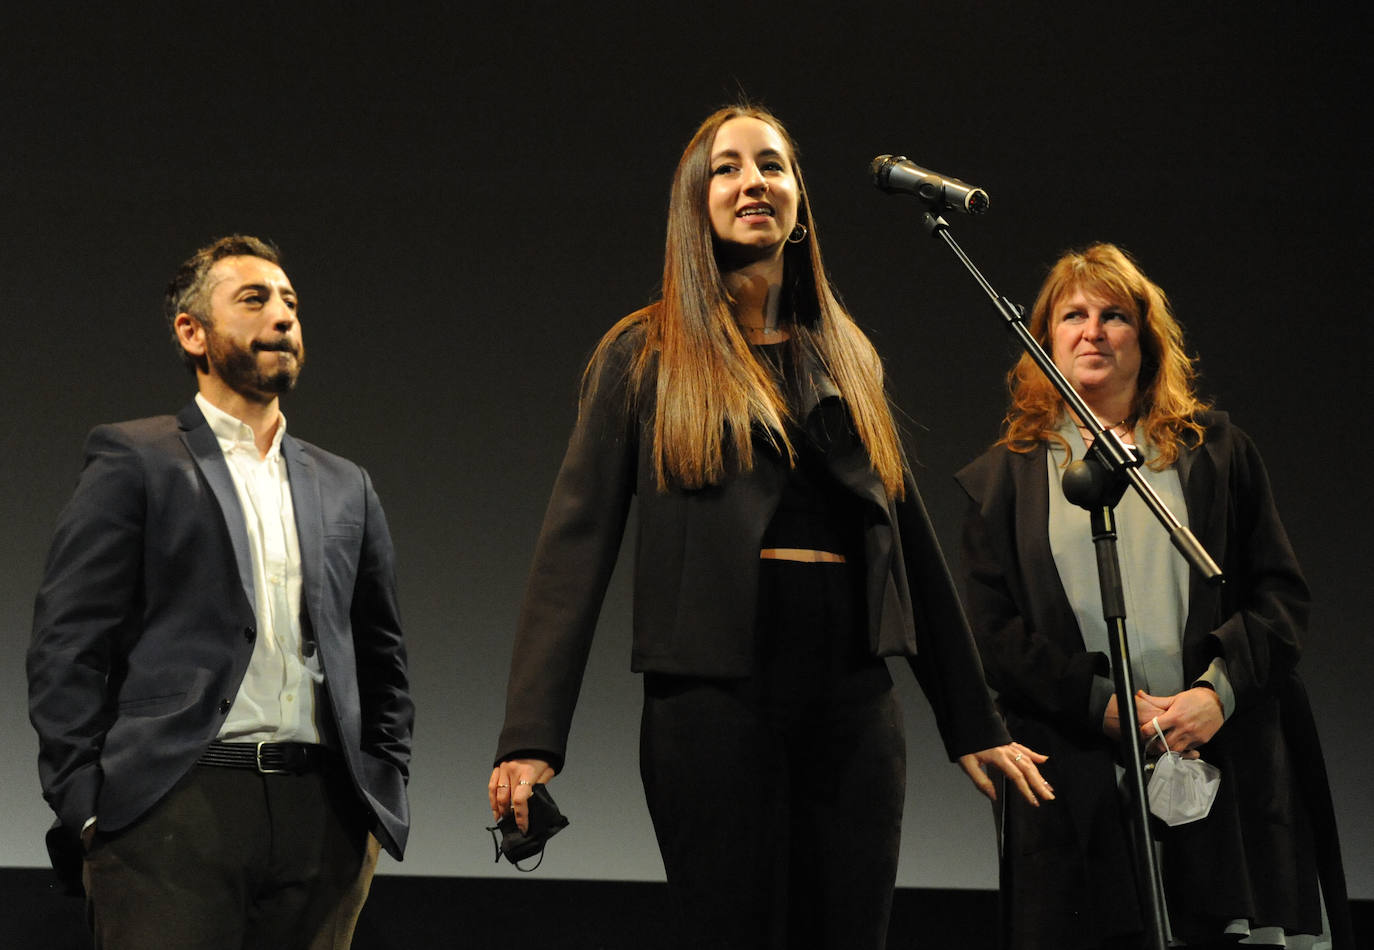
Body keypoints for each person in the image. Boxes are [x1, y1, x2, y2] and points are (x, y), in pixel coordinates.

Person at [487, 104, 1053, 949]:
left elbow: (906, 539)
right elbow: (574, 550)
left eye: (772, 165)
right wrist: (531, 739)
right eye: (727, 168)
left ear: (799, 202)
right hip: (712, 703)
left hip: (854, 701)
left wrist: (972, 721)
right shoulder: (644, 356)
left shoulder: (847, 355)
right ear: (696, 203)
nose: (753, 182)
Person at [955, 243, 1352, 949]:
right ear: (1043, 339)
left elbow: (1280, 598)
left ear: (1146, 339)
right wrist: (1100, 705)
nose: (1093, 331)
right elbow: (994, 636)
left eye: (1115, 316)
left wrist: (1214, 696)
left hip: (1217, 752)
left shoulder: (1215, 451)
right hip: (1078, 770)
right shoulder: (1001, 480)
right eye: (1073, 315)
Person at [28, 235, 414, 949]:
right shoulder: (136, 457)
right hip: (174, 806)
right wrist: (86, 805)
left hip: (323, 816)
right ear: (192, 332)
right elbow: (67, 644)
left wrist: (380, 783)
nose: (283, 316)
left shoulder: (345, 485)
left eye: (290, 303)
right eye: (254, 300)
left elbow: (380, 653)